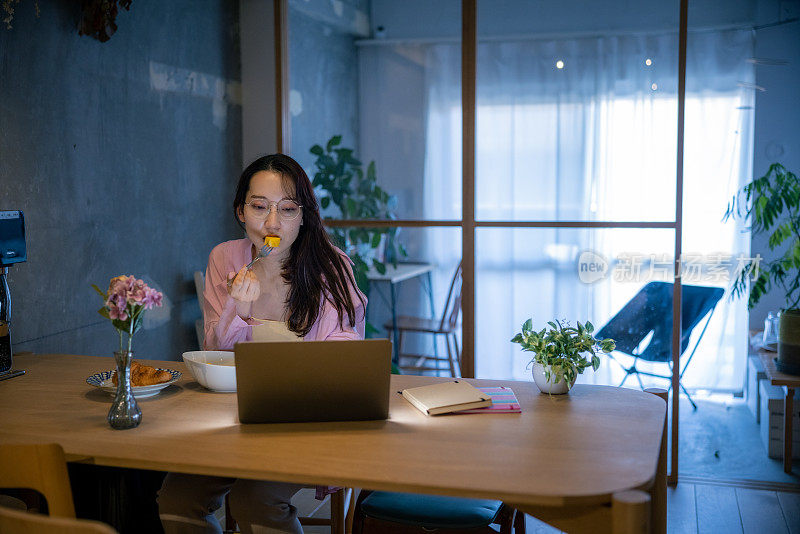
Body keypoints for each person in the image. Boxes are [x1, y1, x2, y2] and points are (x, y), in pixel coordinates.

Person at [157, 154, 367, 534]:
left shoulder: (332, 267)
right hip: (237, 417)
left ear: (304, 216)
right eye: (259, 207)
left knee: (255, 500)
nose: (272, 222)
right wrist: (238, 308)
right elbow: (216, 357)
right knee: (175, 499)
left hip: (308, 421)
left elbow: (344, 357)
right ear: (241, 211)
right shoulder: (225, 258)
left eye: (287, 209)